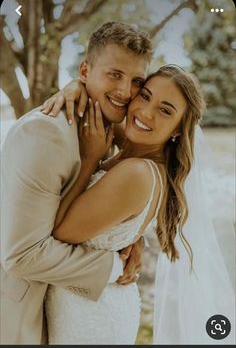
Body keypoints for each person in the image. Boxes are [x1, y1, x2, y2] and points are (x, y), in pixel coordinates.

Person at [42, 66, 235, 344]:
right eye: (145, 96)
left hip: (90, 315)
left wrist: (89, 160)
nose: (146, 112)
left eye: (165, 110)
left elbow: (60, 232)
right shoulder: (136, 145)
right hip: (88, 298)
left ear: (179, 130)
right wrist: (74, 86)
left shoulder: (136, 173)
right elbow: (97, 96)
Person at [0, 22, 152, 345]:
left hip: (72, 314)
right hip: (22, 317)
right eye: (114, 74)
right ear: (85, 70)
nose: (126, 91)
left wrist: (131, 236)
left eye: (137, 81)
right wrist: (113, 266)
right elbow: (21, 255)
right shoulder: (46, 134)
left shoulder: (110, 127)